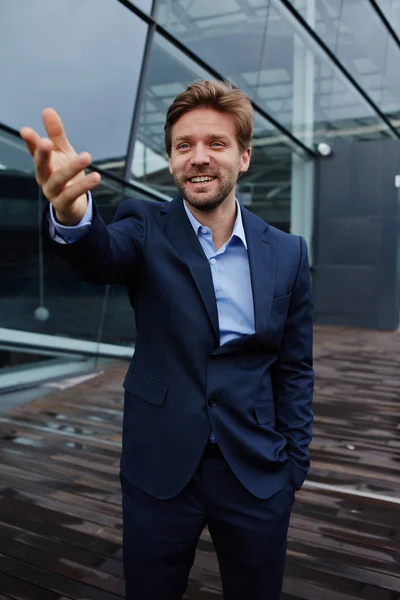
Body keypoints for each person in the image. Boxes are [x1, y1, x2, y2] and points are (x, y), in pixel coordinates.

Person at [21, 80, 314, 600]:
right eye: (184, 146)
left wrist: (294, 463)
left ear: (244, 157)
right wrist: (71, 213)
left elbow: (293, 366)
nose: (198, 158)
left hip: (257, 469)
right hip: (159, 466)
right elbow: (100, 253)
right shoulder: (143, 225)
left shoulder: (288, 252)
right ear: (173, 159)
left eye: (216, 144)